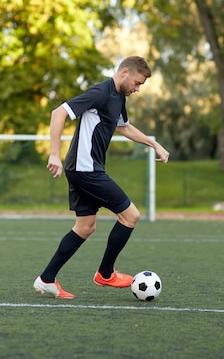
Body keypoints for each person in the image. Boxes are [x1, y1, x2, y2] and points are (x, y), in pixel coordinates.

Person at [33, 56, 170, 299]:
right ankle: (105, 274)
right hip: (86, 170)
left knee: (85, 227)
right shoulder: (101, 92)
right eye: (137, 83)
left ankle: (46, 279)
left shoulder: (118, 98)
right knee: (131, 216)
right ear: (125, 72)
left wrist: (153, 144)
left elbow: (124, 127)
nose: (137, 89)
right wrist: (54, 154)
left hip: (85, 168)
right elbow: (58, 113)